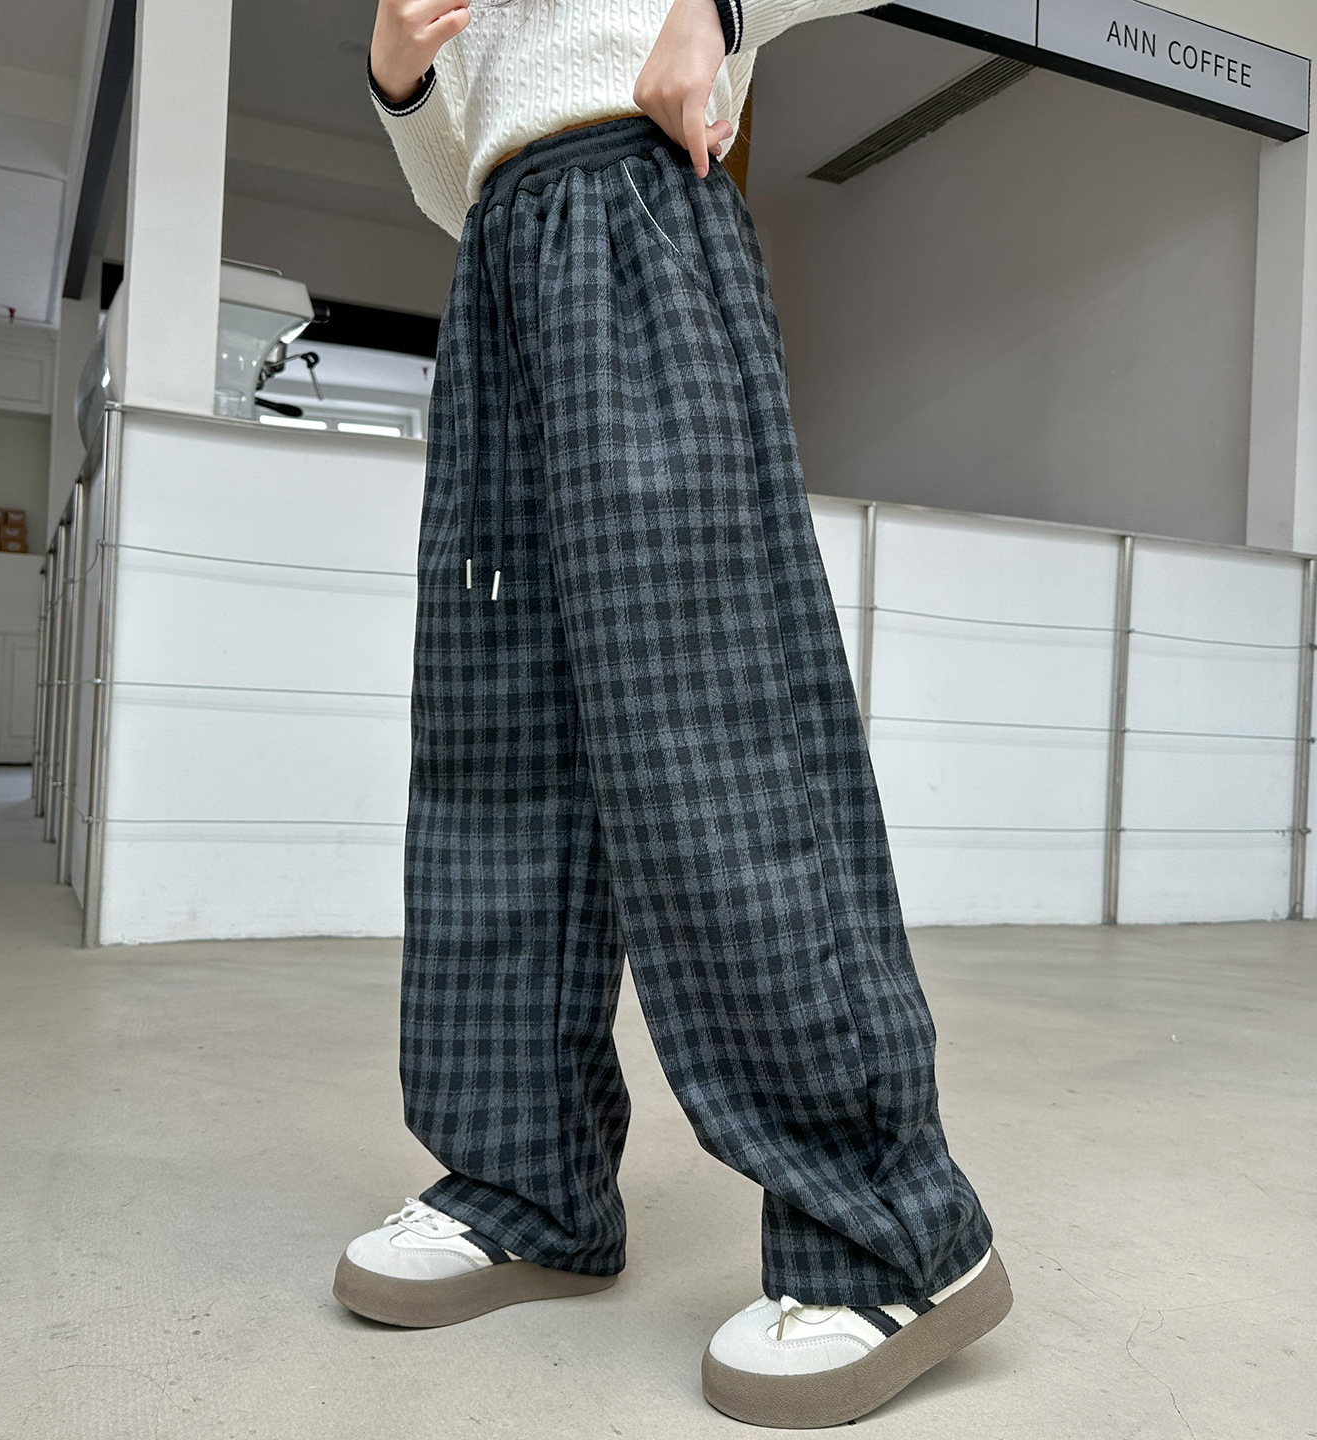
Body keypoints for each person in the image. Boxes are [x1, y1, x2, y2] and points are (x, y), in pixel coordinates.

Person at [333, 0, 1011, 1425]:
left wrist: (717, 12)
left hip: (640, 223)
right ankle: (527, 1183)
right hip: (501, 259)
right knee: (497, 743)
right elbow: (457, 181)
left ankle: (890, 1231)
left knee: (715, 732)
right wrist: (401, 75)